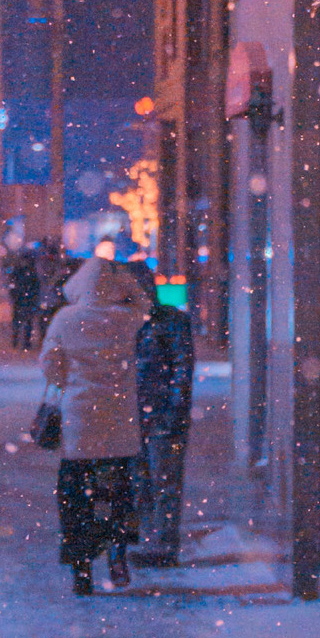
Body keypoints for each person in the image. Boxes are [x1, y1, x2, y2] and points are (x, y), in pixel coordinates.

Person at [39, 255, 148, 594]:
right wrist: (125, 282)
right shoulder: (125, 319)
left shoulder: (65, 319)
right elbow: (144, 302)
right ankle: (117, 548)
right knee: (118, 491)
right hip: (119, 421)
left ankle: (81, 567)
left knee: (75, 497)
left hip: (79, 422)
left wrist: (70, 379)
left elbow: (49, 366)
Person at [132, 266, 194, 565]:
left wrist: (172, 409)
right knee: (144, 482)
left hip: (160, 416)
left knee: (161, 481)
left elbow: (182, 370)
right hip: (141, 415)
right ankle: (153, 541)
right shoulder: (130, 322)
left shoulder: (170, 321)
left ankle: (162, 544)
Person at [8, 248, 41, 351]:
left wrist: (14, 294)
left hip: (21, 299)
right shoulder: (31, 271)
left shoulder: (19, 270)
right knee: (26, 321)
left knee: (19, 321)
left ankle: (17, 340)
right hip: (26, 299)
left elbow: (12, 284)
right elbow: (36, 286)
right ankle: (24, 342)